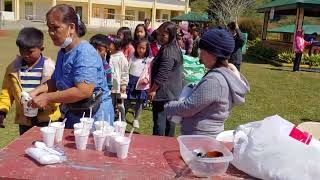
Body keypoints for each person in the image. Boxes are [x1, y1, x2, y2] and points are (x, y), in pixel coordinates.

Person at [29, 4, 114, 128]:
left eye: (55, 28)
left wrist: (47, 98)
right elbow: (56, 81)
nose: (51, 33)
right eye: (49, 28)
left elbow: (84, 90)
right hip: (75, 112)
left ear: (72, 28)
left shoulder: (85, 52)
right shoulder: (62, 52)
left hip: (95, 117)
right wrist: (36, 92)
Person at [164, 28, 250, 137]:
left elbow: (189, 108)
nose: (200, 57)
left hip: (200, 138)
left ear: (214, 54)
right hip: (207, 135)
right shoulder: (224, 75)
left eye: (203, 52)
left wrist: (168, 106)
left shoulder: (215, 80)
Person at [0, 27, 61, 135]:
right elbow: (6, 93)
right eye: (22, 50)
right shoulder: (13, 69)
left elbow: (59, 92)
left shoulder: (51, 67)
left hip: (48, 120)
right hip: (25, 122)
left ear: (41, 48)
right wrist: (2, 111)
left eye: (30, 51)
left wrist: (46, 104)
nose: (26, 55)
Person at [148, 21, 183, 137]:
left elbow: (162, 74)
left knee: (160, 122)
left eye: (164, 35)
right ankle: (167, 143)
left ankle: (158, 145)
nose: (159, 37)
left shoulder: (168, 51)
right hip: (172, 92)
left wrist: (153, 89)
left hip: (164, 93)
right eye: (159, 34)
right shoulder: (172, 46)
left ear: (171, 35)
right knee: (169, 121)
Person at [127, 38, 153, 128]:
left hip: (141, 84)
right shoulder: (132, 57)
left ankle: (136, 119)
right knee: (127, 101)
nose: (141, 50)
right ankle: (122, 118)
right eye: (139, 48)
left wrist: (147, 80)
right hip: (131, 81)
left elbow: (149, 72)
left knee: (140, 102)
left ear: (147, 49)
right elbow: (127, 68)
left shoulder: (149, 60)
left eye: (143, 48)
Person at [108, 34, 129, 121]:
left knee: (120, 104)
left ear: (116, 44)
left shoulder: (121, 57)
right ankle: (111, 120)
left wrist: (123, 83)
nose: (107, 44)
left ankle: (122, 120)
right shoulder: (109, 55)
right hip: (111, 87)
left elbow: (125, 71)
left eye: (110, 43)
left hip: (118, 87)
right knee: (110, 104)